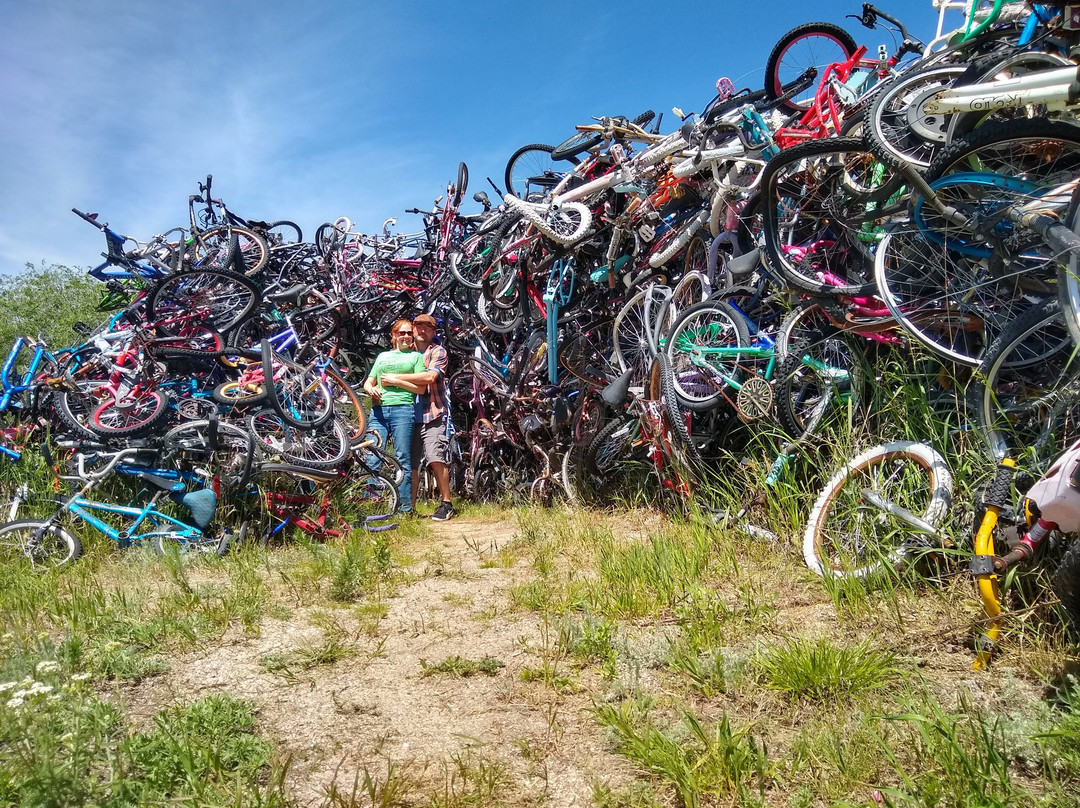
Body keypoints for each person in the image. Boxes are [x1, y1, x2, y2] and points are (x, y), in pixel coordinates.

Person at [379, 313, 454, 520]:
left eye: (427, 328)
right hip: (407, 415)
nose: (422, 331)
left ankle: (446, 503)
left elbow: (430, 376)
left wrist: (396, 378)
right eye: (418, 327)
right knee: (409, 463)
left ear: (433, 332)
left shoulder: (437, 352)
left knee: (435, 457)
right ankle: (408, 507)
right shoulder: (404, 353)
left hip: (432, 413)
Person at [363, 319, 426, 513]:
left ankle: (404, 509)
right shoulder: (383, 356)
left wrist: (395, 380)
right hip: (378, 411)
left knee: (402, 459)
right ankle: (370, 506)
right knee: (372, 455)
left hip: (403, 410)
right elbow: (368, 381)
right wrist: (370, 389)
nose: (406, 336)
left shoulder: (416, 357)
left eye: (409, 333)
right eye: (402, 333)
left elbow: (421, 388)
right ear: (394, 336)